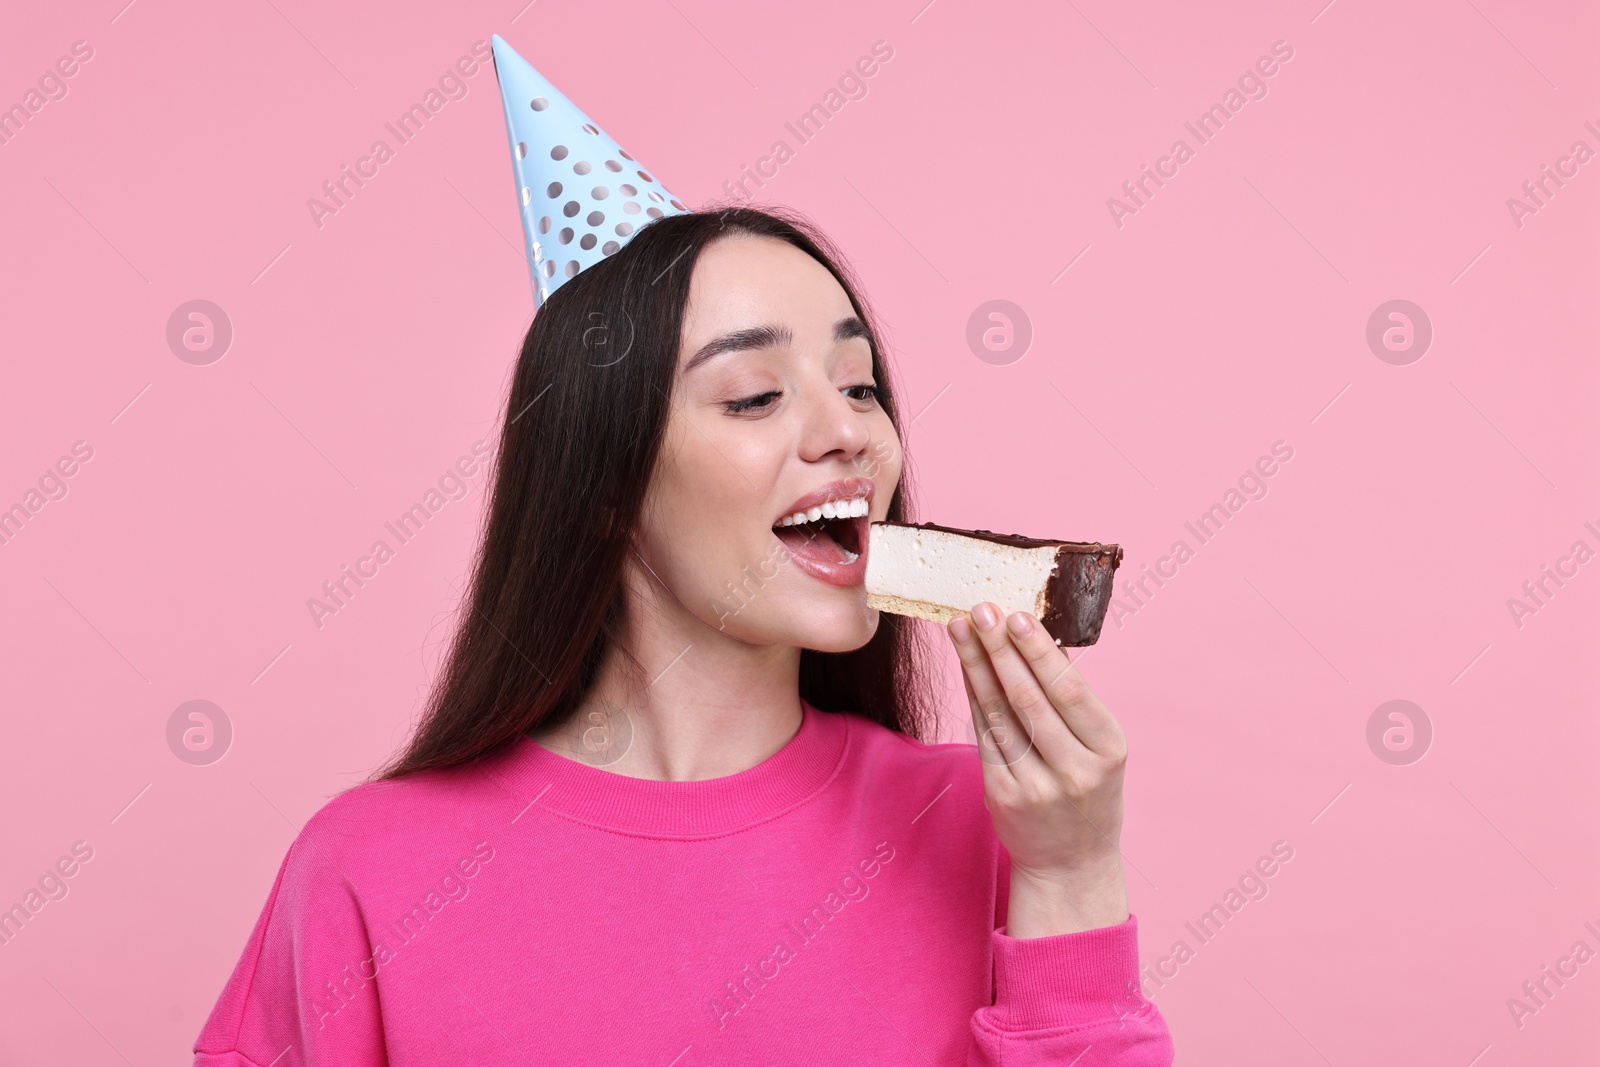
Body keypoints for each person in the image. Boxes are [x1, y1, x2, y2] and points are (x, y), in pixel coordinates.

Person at [191, 205, 1173, 1065]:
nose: (850, 433)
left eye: (861, 385)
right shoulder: (369, 870)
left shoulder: (990, 830)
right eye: (754, 394)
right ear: (605, 490)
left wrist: (1072, 875)